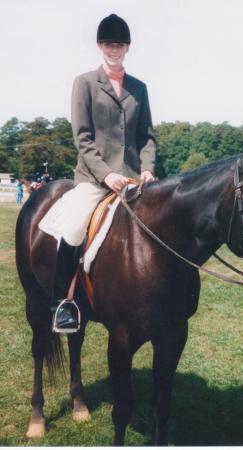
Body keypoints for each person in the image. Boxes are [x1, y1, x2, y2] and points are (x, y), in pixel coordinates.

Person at [39, 14, 156, 333]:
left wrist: (147, 169)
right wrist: (106, 175)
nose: (113, 49)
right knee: (74, 228)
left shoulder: (139, 88)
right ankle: (62, 304)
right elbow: (83, 137)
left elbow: (146, 135)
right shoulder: (85, 83)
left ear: (127, 47)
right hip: (94, 179)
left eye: (119, 44)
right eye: (108, 44)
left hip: (133, 179)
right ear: (99, 46)